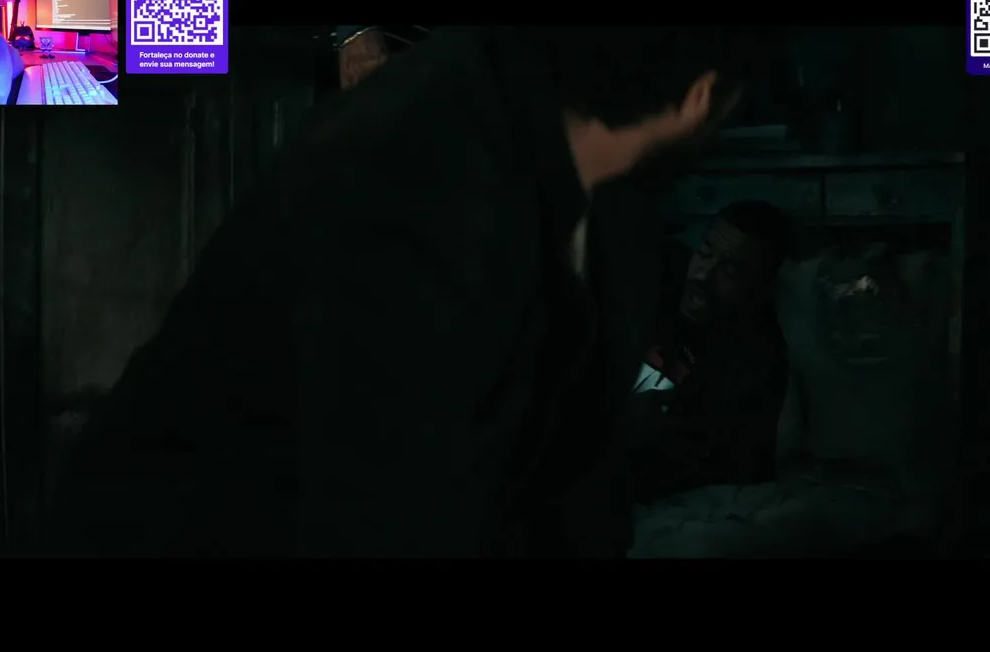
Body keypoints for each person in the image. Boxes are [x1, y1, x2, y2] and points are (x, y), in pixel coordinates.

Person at [47, 27, 748, 557]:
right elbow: (384, 510)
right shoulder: (415, 171)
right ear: (700, 100)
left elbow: (576, 477)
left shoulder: (616, 206)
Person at [627, 201, 791, 504]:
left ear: (759, 288)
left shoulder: (754, 366)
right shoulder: (657, 283)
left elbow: (735, 467)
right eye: (704, 254)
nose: (703, 276)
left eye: (729, 271)